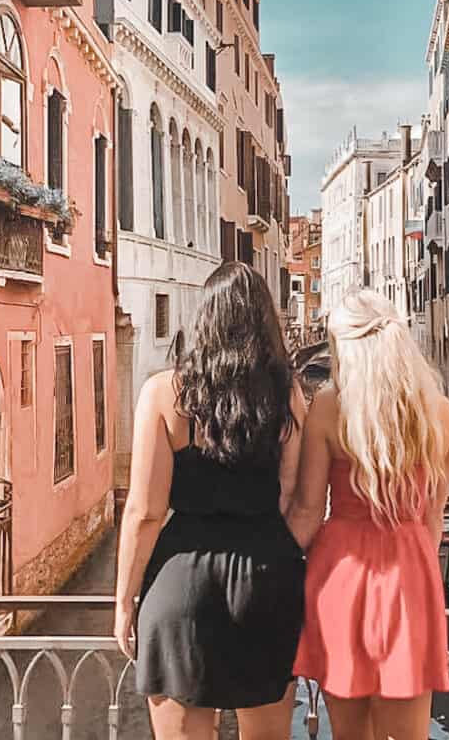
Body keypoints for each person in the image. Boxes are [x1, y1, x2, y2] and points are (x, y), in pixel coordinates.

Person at [114, 262, 307, 740]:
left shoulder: (164, 394)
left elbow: (145, 512)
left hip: (180, 584)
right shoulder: (289, 397)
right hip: (266, 579)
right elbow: (289, 498)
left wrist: (124, 602)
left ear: (205, 319)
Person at [287, 289, 449, 740]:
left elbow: (307, 512)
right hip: (409, 577)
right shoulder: (438, 414)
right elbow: (433, 518)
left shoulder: (327, 407)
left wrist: (265, 558)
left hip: (340, 577)